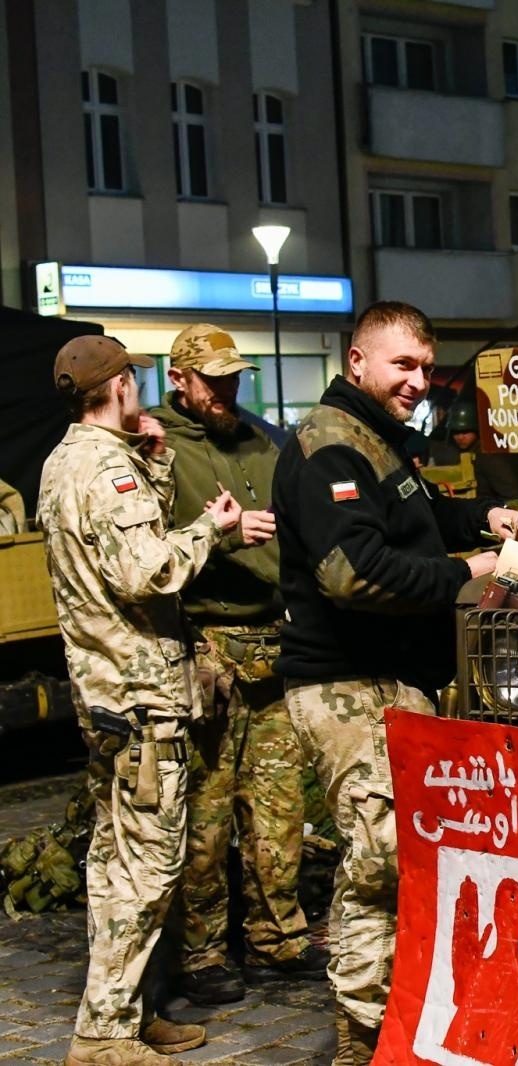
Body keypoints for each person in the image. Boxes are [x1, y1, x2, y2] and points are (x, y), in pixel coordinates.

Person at [272, 301, 518, 1066]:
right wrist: (470, 571)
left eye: (425, 367)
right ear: (357, 363)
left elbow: (412, 516)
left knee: (405, 860)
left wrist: (484, 517)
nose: (418, 382)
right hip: (346, 685)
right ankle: (361, 1039)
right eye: (401, 366)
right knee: (383, 860)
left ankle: (396, 1027)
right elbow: (354, 573)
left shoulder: (377, 441)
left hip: (394, 682)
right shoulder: (329, 447)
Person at [36, 335, 244, 1066]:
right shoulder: (103, 469)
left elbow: (112, 542)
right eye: (136, 380)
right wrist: (209, 530)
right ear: (120, 385)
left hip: (105, 696)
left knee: (113, 863)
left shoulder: (66, 460)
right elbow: (146, 569)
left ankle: (127, 1011)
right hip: (139, 698)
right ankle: (102, 1036)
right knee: (148, 869)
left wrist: (154, 460)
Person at [150, 324, 327, 1007]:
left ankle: (277, 936)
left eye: (233, 378)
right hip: (209, 645)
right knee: (207, 812)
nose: (227, 390)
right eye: (213, 379)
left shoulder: (259, 439)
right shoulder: (157, 449)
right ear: (179, 379)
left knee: (279, 808)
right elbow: (146, 555)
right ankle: (200, 954)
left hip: (274, 641)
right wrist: (221, 539)